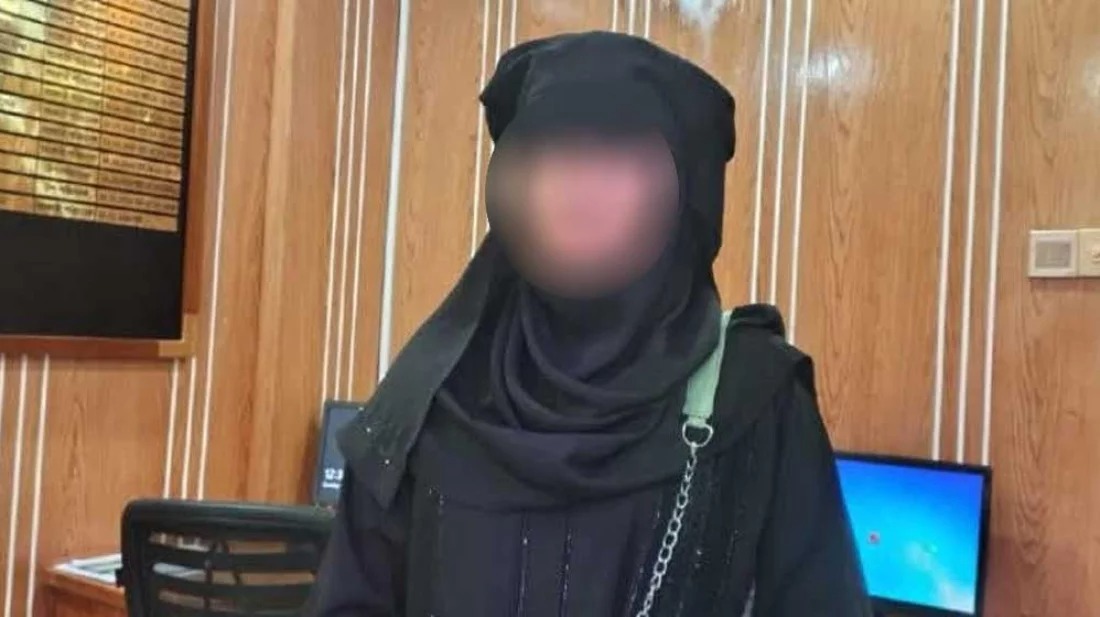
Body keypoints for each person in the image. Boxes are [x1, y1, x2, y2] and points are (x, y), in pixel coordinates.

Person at [308, 32, 871, 617]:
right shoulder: (434, 391)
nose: (580, 184)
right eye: (553, 151)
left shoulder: (754, 397)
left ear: (682, 192)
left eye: (618, 154)